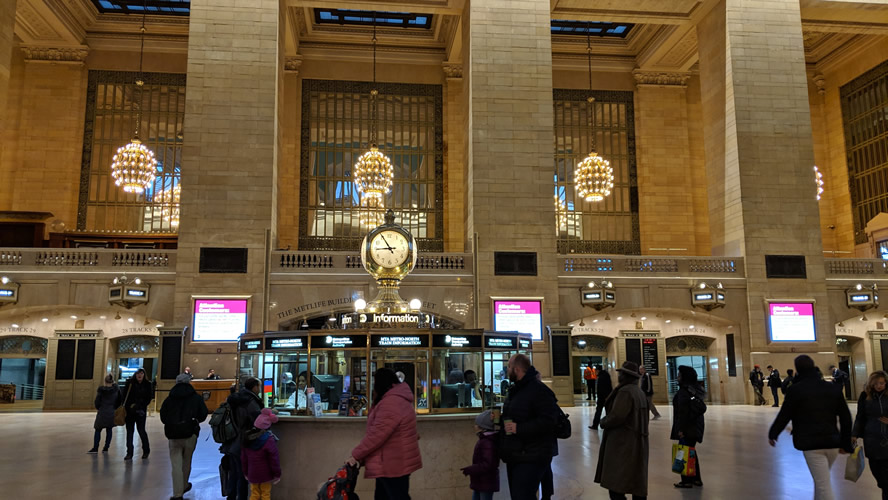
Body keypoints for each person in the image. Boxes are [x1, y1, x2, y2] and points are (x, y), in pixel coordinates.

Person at [768, 355, 853, 500]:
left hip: (811, 444)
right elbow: (846, 418)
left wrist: (773, 433)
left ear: (797, 369)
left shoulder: (795, 390)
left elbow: (785, 415)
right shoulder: (832, 388)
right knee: (821, 481)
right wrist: (845, 442)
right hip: (832, 442)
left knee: (823, 484)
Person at [347, 367, 422, 499]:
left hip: (392, 464)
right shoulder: (397, 399)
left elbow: (377, 435)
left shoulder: (391, 402)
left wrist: (356, 455)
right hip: (394, 462)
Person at [498, 354, 560, 500]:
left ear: (517, 369)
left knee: (523, 495)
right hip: (516, 453)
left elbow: (549, 422)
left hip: (533, 454)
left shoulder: (539, 390)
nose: (507, 370)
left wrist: (519, 428)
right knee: (518, 495)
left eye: (509, 367)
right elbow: (516, 414)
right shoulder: (517, 390)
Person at [594, 361, 649, 500]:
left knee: (616, 485)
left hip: (623, 443)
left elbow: (617, 416)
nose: (619, 376)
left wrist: (603, 421)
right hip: (637, 441)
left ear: (625, 376)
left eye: (621, 373)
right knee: (636, 483)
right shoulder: (638, 392)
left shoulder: (625, 391)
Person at [160, 373, 209, 500]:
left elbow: (163, 416)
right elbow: (203, 413)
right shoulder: (195, 397)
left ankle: (177, 494)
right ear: (189, 382)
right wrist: (195, 421)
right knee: (187, 462)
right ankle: (184, 485)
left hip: (173, 434)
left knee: (176, 464)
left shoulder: (170, 398)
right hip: (190, 433)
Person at [226, 378, 265, 500]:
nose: (260, 389)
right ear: (254, 387)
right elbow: (258, 421)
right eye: (259, 386)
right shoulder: (250, 401)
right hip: (244, 441)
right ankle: (241, 497)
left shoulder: (237, 399)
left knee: (234, 472)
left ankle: (231, 496)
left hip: (233, 440)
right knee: (243, 474)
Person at [852, 370, 888, 499]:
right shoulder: (865, 396)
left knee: (886, 477)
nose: (879, 386)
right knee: (876, 470)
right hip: (871, 438)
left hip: (886, 438)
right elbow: (860, 417)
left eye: (882, 383)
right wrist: (854, 434)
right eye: (876, 383)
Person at [671, 366, 705, 489]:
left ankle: (686, 480)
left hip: (687, 428)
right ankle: (696, 479)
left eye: (679, 375)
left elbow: (683, 414)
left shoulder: (683, 392)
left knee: (684, 452)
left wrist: (681, 430)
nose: (677, 377)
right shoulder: (694, 390)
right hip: (695, 427)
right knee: (691, 452)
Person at [241, 408, 281, 500]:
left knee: (254, 494)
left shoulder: (247, 439)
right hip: (266, 474)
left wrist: (245, 472)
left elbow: (244, 458)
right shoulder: (269, 440)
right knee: (265, 494)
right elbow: (274, 459)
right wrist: (277, 474)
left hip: (252, 473)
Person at [461, 409, 500, 500]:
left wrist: (471, 469)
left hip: (485, 481)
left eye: (476, 424)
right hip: (481, 481)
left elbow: (488, 464)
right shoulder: (486, 440)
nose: (474, 426)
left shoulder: (487, 442)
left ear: (482, 427)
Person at [123, 367, 154, 460]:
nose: (139, 375)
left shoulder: (148, 384)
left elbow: (149, 398)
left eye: (141, 373)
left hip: (140, 411)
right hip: (129, 411)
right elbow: (124, 396)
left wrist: (140, 405)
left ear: (144, 375)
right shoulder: (130, 383)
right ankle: (129, 453)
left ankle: (146, 450)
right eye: (137, 374)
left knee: (141, 430)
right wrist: (130, 406)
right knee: (129, 432)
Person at [88, 374, 121, 454]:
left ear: (105, 381)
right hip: (111, 412)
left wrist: (99, 408)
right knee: (109, 429)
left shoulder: (101, 391)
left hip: (102, 412)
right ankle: (106, 447)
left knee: (98, 429)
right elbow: (119, 401)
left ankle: (95, 448)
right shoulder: (116, 390)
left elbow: (97, 402)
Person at [590, 365, 613, 430]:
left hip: (602, 397)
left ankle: (595, 425)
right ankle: (609, 425)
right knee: (608, 411)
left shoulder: (601, 377)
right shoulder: (605, 375)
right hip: (607, 396)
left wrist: (603, 397)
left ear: (598, 370)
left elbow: (602, 388)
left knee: (599, 411)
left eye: (596, 371)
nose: (595, 372)